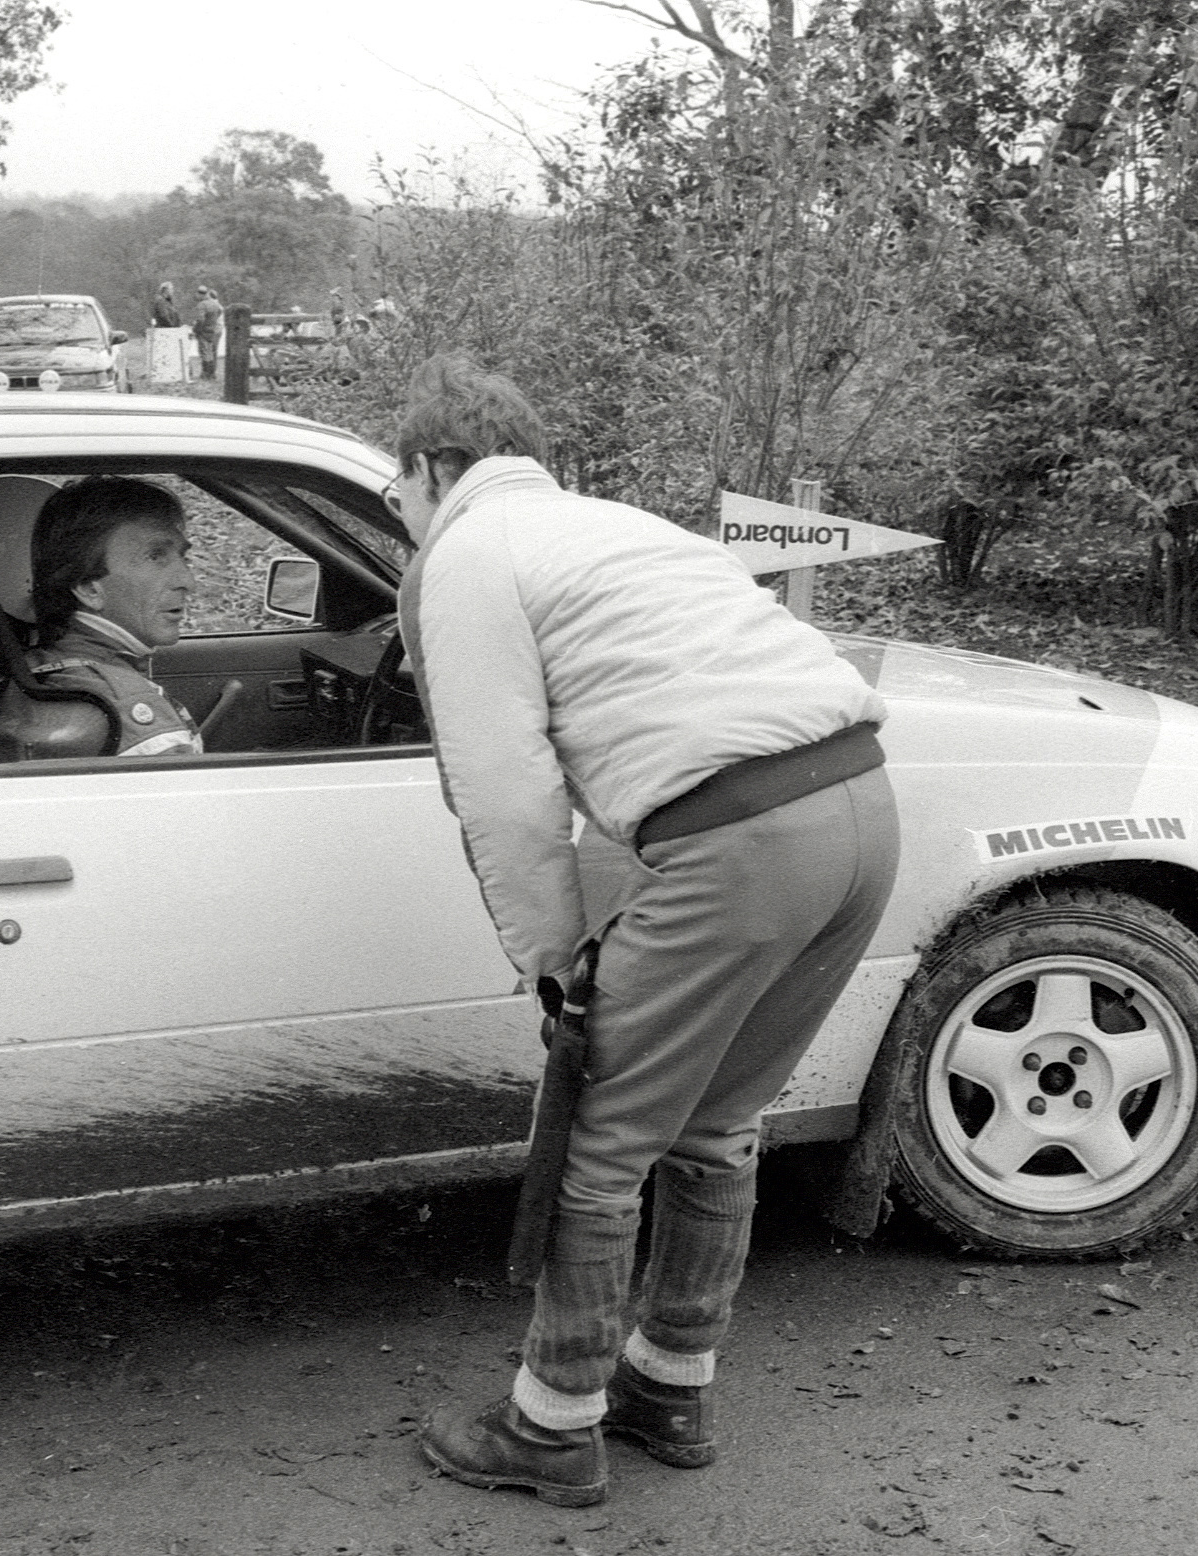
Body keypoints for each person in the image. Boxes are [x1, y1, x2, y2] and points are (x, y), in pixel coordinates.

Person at [396, 354, 900, 1508]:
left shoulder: (469, 552)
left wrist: (554, 968)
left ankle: (551, 1420)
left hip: (742, 840)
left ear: (434, 468)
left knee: (597, 1134)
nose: (404, 524)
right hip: (861, 812)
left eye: (399, 499)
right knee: (717, 1117)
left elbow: (506, 793)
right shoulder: (612, 525)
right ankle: (669, 1384)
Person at [25, 476, 202, 757]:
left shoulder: (34, 667)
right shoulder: (133, 714)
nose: (188, 582)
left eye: (184, 559)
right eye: (155, 556)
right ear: (88, 588)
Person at [192, 285, 224, 381]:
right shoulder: (215, 304)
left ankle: (206, 374)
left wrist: (196, 329)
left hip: (204, 331)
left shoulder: (202, 305)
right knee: (210, 353)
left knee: (204, 352)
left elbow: (201, 320)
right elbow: (219, 312)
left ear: (200, 294)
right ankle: (211, 374)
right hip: (212, 331)